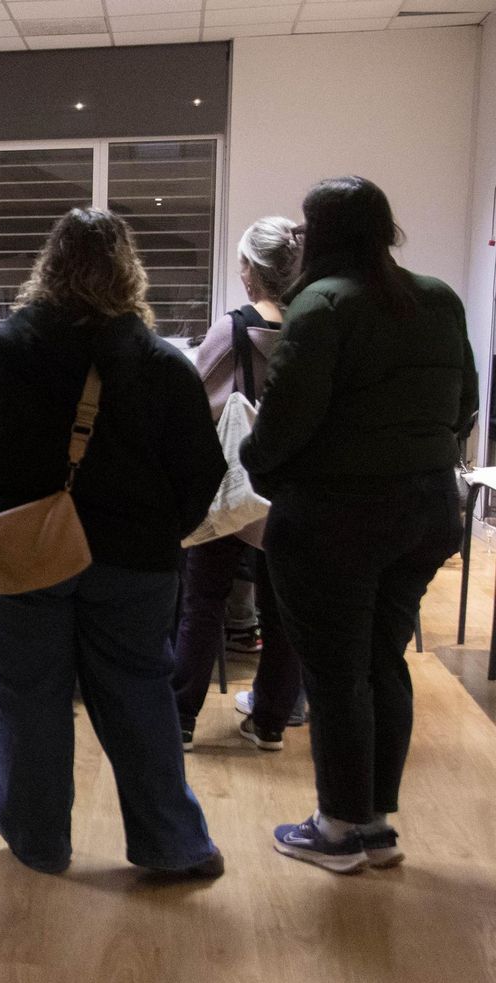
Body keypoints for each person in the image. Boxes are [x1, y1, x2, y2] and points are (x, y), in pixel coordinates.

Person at [0, 208, 227, 878]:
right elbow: (202, 474)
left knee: (27, 696)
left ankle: (39, 842)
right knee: (140, 694)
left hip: (15, 550)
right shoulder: (163, 367)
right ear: (129, 271)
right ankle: (172, 844)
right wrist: (160, 534)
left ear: (49, 267)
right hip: (135, 560)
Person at [241, 177, 477, 873]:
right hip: (427, 511)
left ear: (320, 234)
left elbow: (284, 422)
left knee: (337, 673)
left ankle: (338, 829)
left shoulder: (321, 303)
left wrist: (255, 463)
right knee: (382, 661)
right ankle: (374, 824)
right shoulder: (439, 297)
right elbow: (465, 404)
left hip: (336, 519)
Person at [172, 217, 305, 754]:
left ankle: (181, 719)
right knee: (283, 610)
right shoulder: (311, 326)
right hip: (288, 488)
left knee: (203, 600)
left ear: (252, 270)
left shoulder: (232, 330)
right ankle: (270, 722)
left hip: (229, 487)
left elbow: (191, 399)